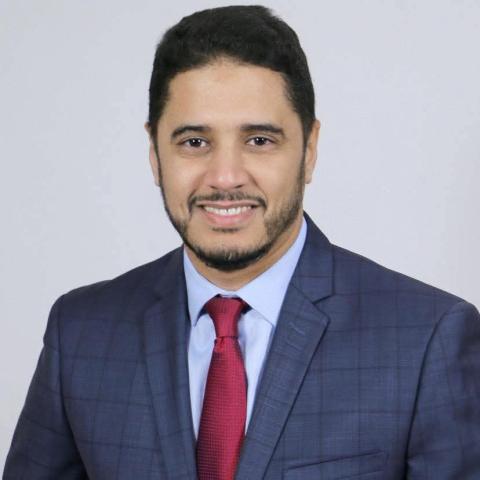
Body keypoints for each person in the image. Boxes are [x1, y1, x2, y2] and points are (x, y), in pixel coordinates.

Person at [4, 5, 480, 480]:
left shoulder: (427, 338)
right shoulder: (80, 333)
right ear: (154, 152)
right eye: (194, 142)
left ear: (309, 149)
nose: (225, 177)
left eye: (259, 141)